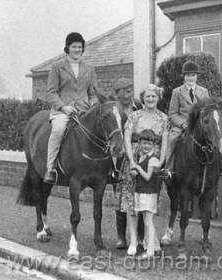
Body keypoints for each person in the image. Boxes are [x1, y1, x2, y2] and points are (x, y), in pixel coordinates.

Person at [114, 83, 169, 256]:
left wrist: (160, 161)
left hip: (153, 162)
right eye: (147, 96)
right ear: (143, 98)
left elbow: (165, 142)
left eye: (154, 96)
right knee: (132, 203)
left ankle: (149, 240)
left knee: (149, 202)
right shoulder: (134, 116)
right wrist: (131, 161)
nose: (151, 99)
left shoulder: (163, 118)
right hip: (135, 159)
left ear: (158, 98)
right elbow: (127, 139)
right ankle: (132, 241)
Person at [164, 60, 222, 185]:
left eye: (193, 75)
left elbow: (207, 110)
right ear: (184, 77)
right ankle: (169, 170)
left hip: (199, 125)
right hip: (182, 125)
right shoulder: (177, 92)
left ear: (197, 76)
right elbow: (172, 113)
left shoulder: (203, 91)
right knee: (173, 138)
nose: (190, 78)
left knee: (215, 138)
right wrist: (184, 124)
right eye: (188, 75)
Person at [44, 32, 98, 184]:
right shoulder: (57, 67)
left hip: (84, 110)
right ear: (67, 48)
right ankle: (51, 168)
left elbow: (93, 93)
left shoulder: (89, 68)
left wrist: (92, 107)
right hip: (63, 111)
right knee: (58, 130)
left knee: (103, 129)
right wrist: (63, 107)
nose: (77, 50)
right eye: (74, 47)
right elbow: (51, 93)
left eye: (79, 47)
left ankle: (110, 169)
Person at [111, 78, 144, 250]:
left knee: (139, 195)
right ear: (116, 94)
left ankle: (140, 237)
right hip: (119, 155)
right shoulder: (113, 108)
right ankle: (121, 237)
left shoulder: (138, 105)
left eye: (129, 89)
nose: (127, 93)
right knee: (121, 195)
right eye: (122, 90)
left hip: (138, 153)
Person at [127, 129, 160, 259]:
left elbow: (147, 176)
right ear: (139, 143)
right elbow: (139, 175)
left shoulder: (153, 159)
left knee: (148, 221)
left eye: (149, 144)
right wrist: (134, 171)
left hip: (149, 193)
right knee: (145, 220)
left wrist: (137, 167)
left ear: (153, 145)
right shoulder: (142, 157)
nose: (146, 146)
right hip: (140, 192)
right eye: (144, 143)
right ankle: (149, 249)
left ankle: (151, 250)